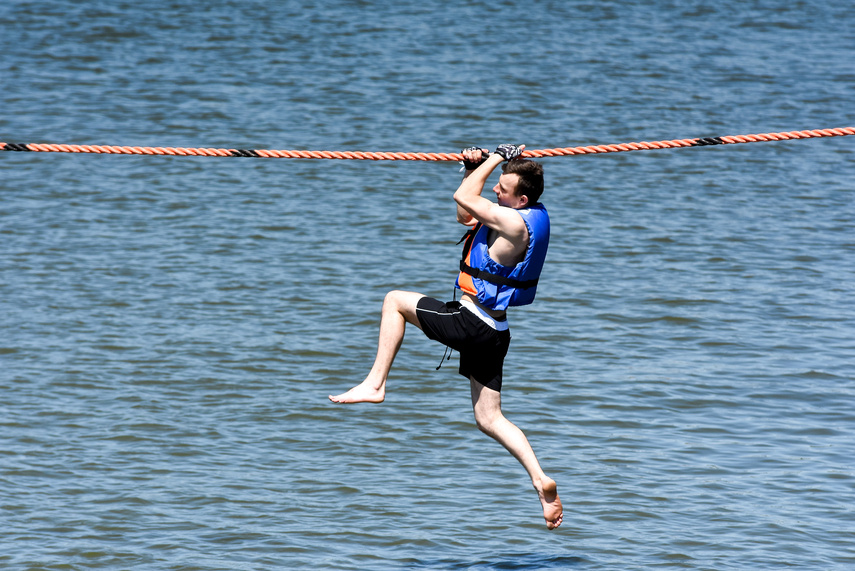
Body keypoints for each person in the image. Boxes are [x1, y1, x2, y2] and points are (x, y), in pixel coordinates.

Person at [329, 144, 563, 530]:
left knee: (394, 301)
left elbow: (463, 198)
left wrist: (492, 159)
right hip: (496, 331)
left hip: (471, 322)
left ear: (521, 199)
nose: (494, 192)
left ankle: (375, 384)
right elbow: (463, 213)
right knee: (489, 419)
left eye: (501, 189)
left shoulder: (514, 224)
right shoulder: (524, 216)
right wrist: (474, 167)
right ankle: (540, 479)